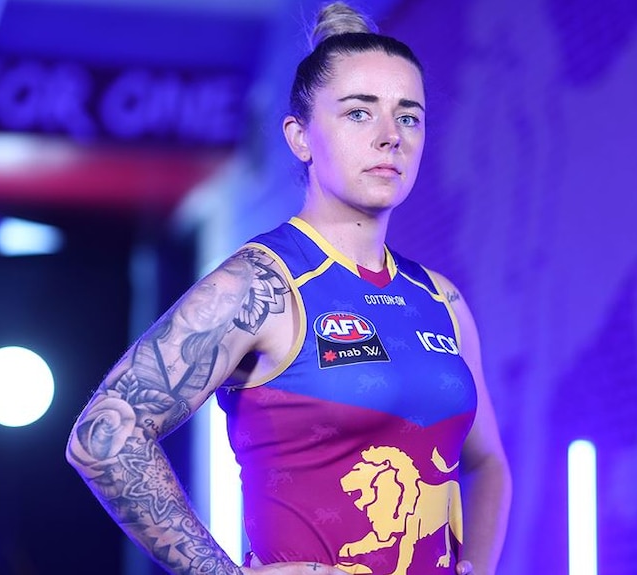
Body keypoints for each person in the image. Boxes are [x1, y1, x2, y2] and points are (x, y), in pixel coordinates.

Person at [66, 2, 512, 574]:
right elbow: (105, 434)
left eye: (409, 117)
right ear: (300, 137)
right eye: (358, 113)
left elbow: (488, 462)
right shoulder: (263, 283)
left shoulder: (441, 300)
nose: (388, 137)